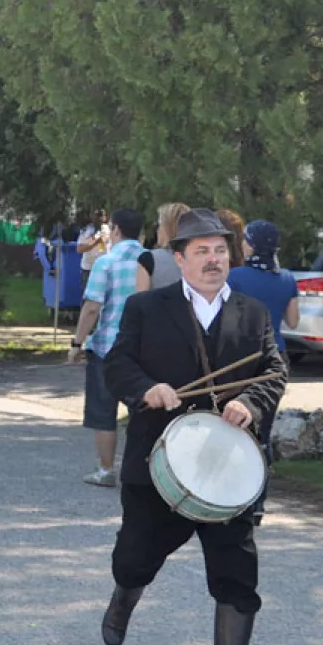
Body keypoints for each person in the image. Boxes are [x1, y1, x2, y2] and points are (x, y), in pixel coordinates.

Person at [101, 208, 286, 645]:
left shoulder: (251, 312)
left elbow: (273, 370)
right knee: (134, 558)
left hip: (227, 469)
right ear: (179, 258)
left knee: (237, 573)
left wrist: (250, 403)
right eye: (202, 251)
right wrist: (147, 389)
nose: (213, 260)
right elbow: (118, 363)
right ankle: (124, 599)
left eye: (221, 250)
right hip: (157, 462)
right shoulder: (146, 308)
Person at [68, 208, 150, 487]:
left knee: (103, 411)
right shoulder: (148, 260)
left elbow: (92, 307)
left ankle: (105, 470)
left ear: (115, 230)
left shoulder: (106, 262)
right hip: (142, 348)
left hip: (106, 346)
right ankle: (141, 469)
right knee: (142, 411)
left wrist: (77, 343)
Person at [227, 219, 299, 524]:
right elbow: (293, 321)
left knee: (235, 425)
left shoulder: (235, 276)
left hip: (242, 357)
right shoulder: (287, 278)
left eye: (246, 239)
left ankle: (232, 496)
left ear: (252, 244)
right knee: (263, 432)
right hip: (276, 358)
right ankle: (257, 501)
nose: (242, 244)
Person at [140, 202, 190, 290]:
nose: (157, 230)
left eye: (158, 225)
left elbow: (140, 300)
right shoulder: (199, 258)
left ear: (166, 228)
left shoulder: (148, 259)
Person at [77, 209, 110, 291]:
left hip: (104, 268)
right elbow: (79, 249)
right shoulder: (88, 230)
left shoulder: (108, 229)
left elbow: (105, 244)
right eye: (98, 215)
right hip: (89, 269)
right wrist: (95, 242)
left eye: (103, 215)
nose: (101, 218)